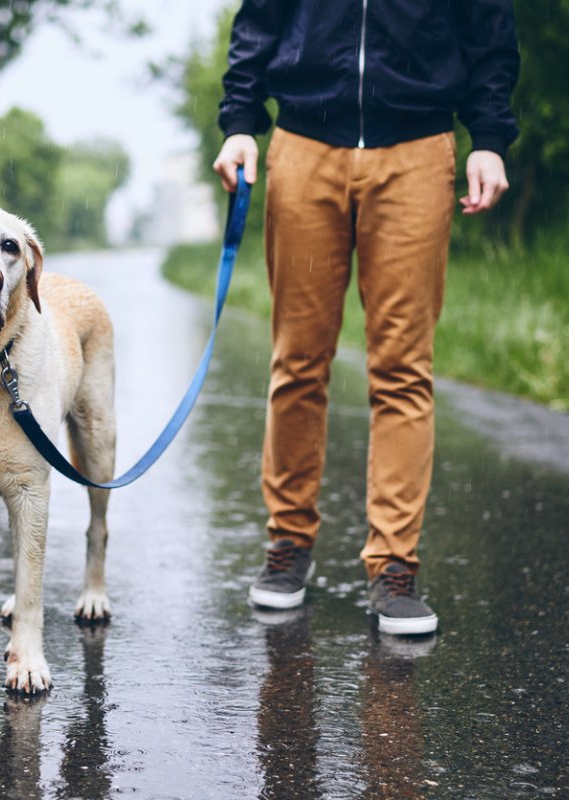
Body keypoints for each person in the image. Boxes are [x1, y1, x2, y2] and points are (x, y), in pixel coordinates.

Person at [213, 0, 520, 634]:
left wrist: (488, 137)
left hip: (417, 149)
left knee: (404, 369)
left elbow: (488, 27)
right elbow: (259, 23)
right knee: (297, 362)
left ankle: (395, 567)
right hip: (302, 147)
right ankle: (288, 546)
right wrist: (241, 121)